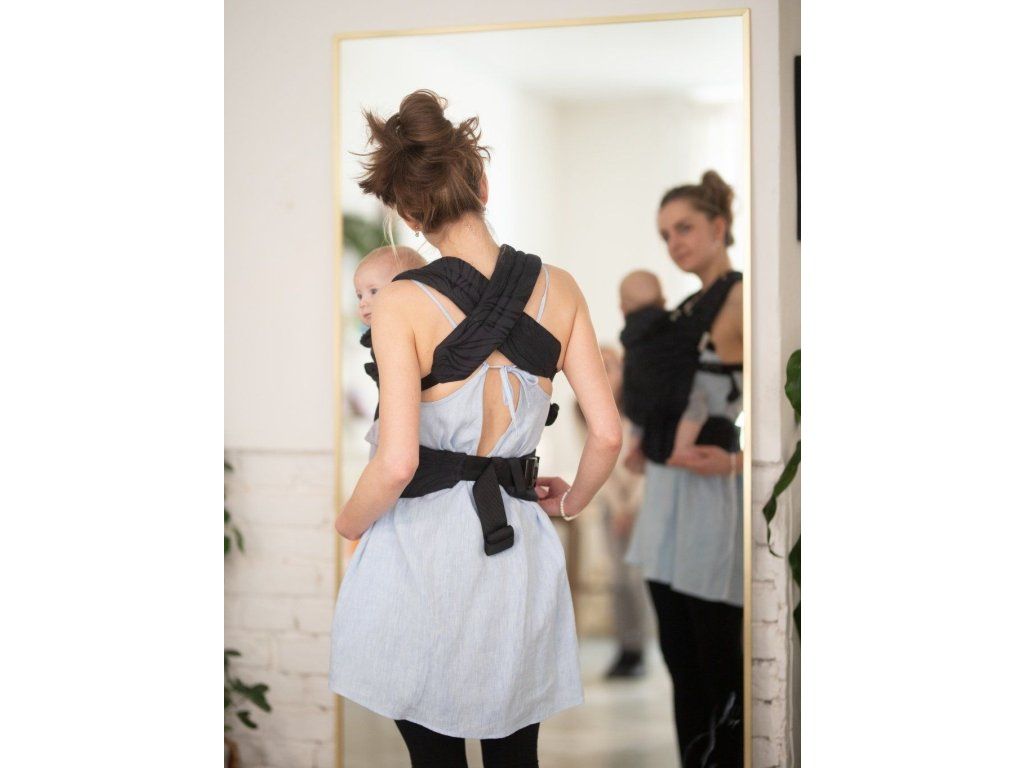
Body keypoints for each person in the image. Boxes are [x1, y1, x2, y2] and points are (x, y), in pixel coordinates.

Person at [328, 90, 622, 768]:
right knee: (514, 748)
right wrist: (570, 503)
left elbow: (396, 463)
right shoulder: (561, 288)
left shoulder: (400, 302)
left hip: (424, 547)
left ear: (409, 215)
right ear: (481, 183)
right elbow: (607, 435)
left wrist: (347, 526)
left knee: (433, 750)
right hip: (517, 542)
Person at [623, 171, 745, 767]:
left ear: (719, 226)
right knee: (682, 668)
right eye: (666, 234)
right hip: (666, 509)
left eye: (686, 228)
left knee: (718, 670)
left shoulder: (741, 301)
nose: (674, 243)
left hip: (708, 511)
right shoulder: (683, 309)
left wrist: (738, 461)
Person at [586, 345, 651, 679]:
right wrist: (616, 507)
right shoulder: (584, 409)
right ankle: (624, 648)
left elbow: (646, 464)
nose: (604, 372)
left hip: (640, 504)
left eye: (609, 365)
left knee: (636, 579)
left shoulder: (638, 409)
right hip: (611, 505)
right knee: (617, 580)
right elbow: (596, 461)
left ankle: (639, 650)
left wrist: (630, 507)